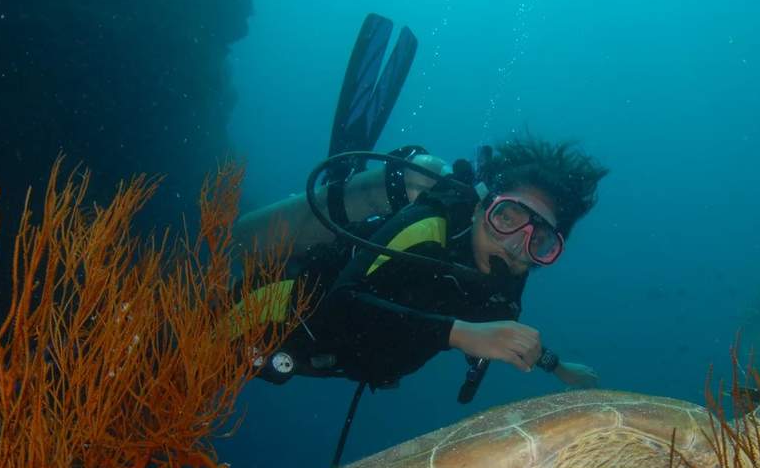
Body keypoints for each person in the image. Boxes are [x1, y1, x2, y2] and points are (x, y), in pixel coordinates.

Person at [231, 137, 605, 394]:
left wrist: (557, 367)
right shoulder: (429, 226)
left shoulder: (508, 271)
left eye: (539, 241)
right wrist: (458, 333)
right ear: (480, 207)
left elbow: (515, 336)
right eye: (507, 217)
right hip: (265, 313)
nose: (516, 244)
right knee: (176, 368)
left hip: (316, 359)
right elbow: (339, 305)